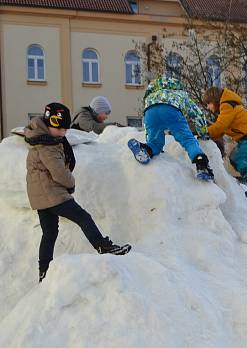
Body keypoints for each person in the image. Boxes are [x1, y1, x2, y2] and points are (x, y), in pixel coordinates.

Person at [25, 103, 131, 282]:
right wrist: (71, 183)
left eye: (65, 129)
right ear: (49, 124)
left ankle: (44, 271)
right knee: (83, 217)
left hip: (40, 196)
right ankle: (102, 246)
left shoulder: (42, 138)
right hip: (52, 193)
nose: (63, 133)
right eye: (60, 129)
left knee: (49, 233)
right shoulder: (46, 146)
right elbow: (59, 173)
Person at [127, 75, 214, 182]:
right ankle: (202, 166)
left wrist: (149, 139)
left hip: (150, 111)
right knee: (187, 139)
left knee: (155, 143)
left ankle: (145, 150)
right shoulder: (180, 94)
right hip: (171, 110)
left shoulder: (151, 95)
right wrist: (203, 133)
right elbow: (198, 114)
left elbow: (149, 128)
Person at [202, 87, 247, 198]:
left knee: (237, 158)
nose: (208, 107)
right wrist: (209, 137)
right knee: (240, 160)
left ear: (214, 100)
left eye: (208, 103)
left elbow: (220, 127)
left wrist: (204, 132)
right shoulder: (227, 108)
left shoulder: (227, 106)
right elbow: (221, 131)